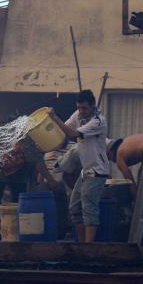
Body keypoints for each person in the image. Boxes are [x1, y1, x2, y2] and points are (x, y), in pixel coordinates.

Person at [51, 90, 108, 243]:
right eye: (79, 108)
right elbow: (63, 130)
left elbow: (72, 133)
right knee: (75, 208)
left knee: (89, 209)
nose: (81, 111)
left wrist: (55, 118)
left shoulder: (98, 121)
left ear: (92, 105)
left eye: (84, 108)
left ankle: (88, 248)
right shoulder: (78, 115)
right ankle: (81, 244)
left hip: (97, 171)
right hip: (86, 171)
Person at [0, 138, 60, 237]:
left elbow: (38, 163)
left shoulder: (25, 139)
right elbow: (39, 164)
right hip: (2, 172)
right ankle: (6, 231)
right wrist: (51, 180)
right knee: (3, 201)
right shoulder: (29, 140)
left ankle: (0, 231)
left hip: (10, 174)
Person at [107, 133, 143, 198]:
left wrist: (135, 199)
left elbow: (130, 180)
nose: (111, 161)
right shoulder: (125, 144)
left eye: (109, 158)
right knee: (141, 174)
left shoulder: (119, 156)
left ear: (111, 152)